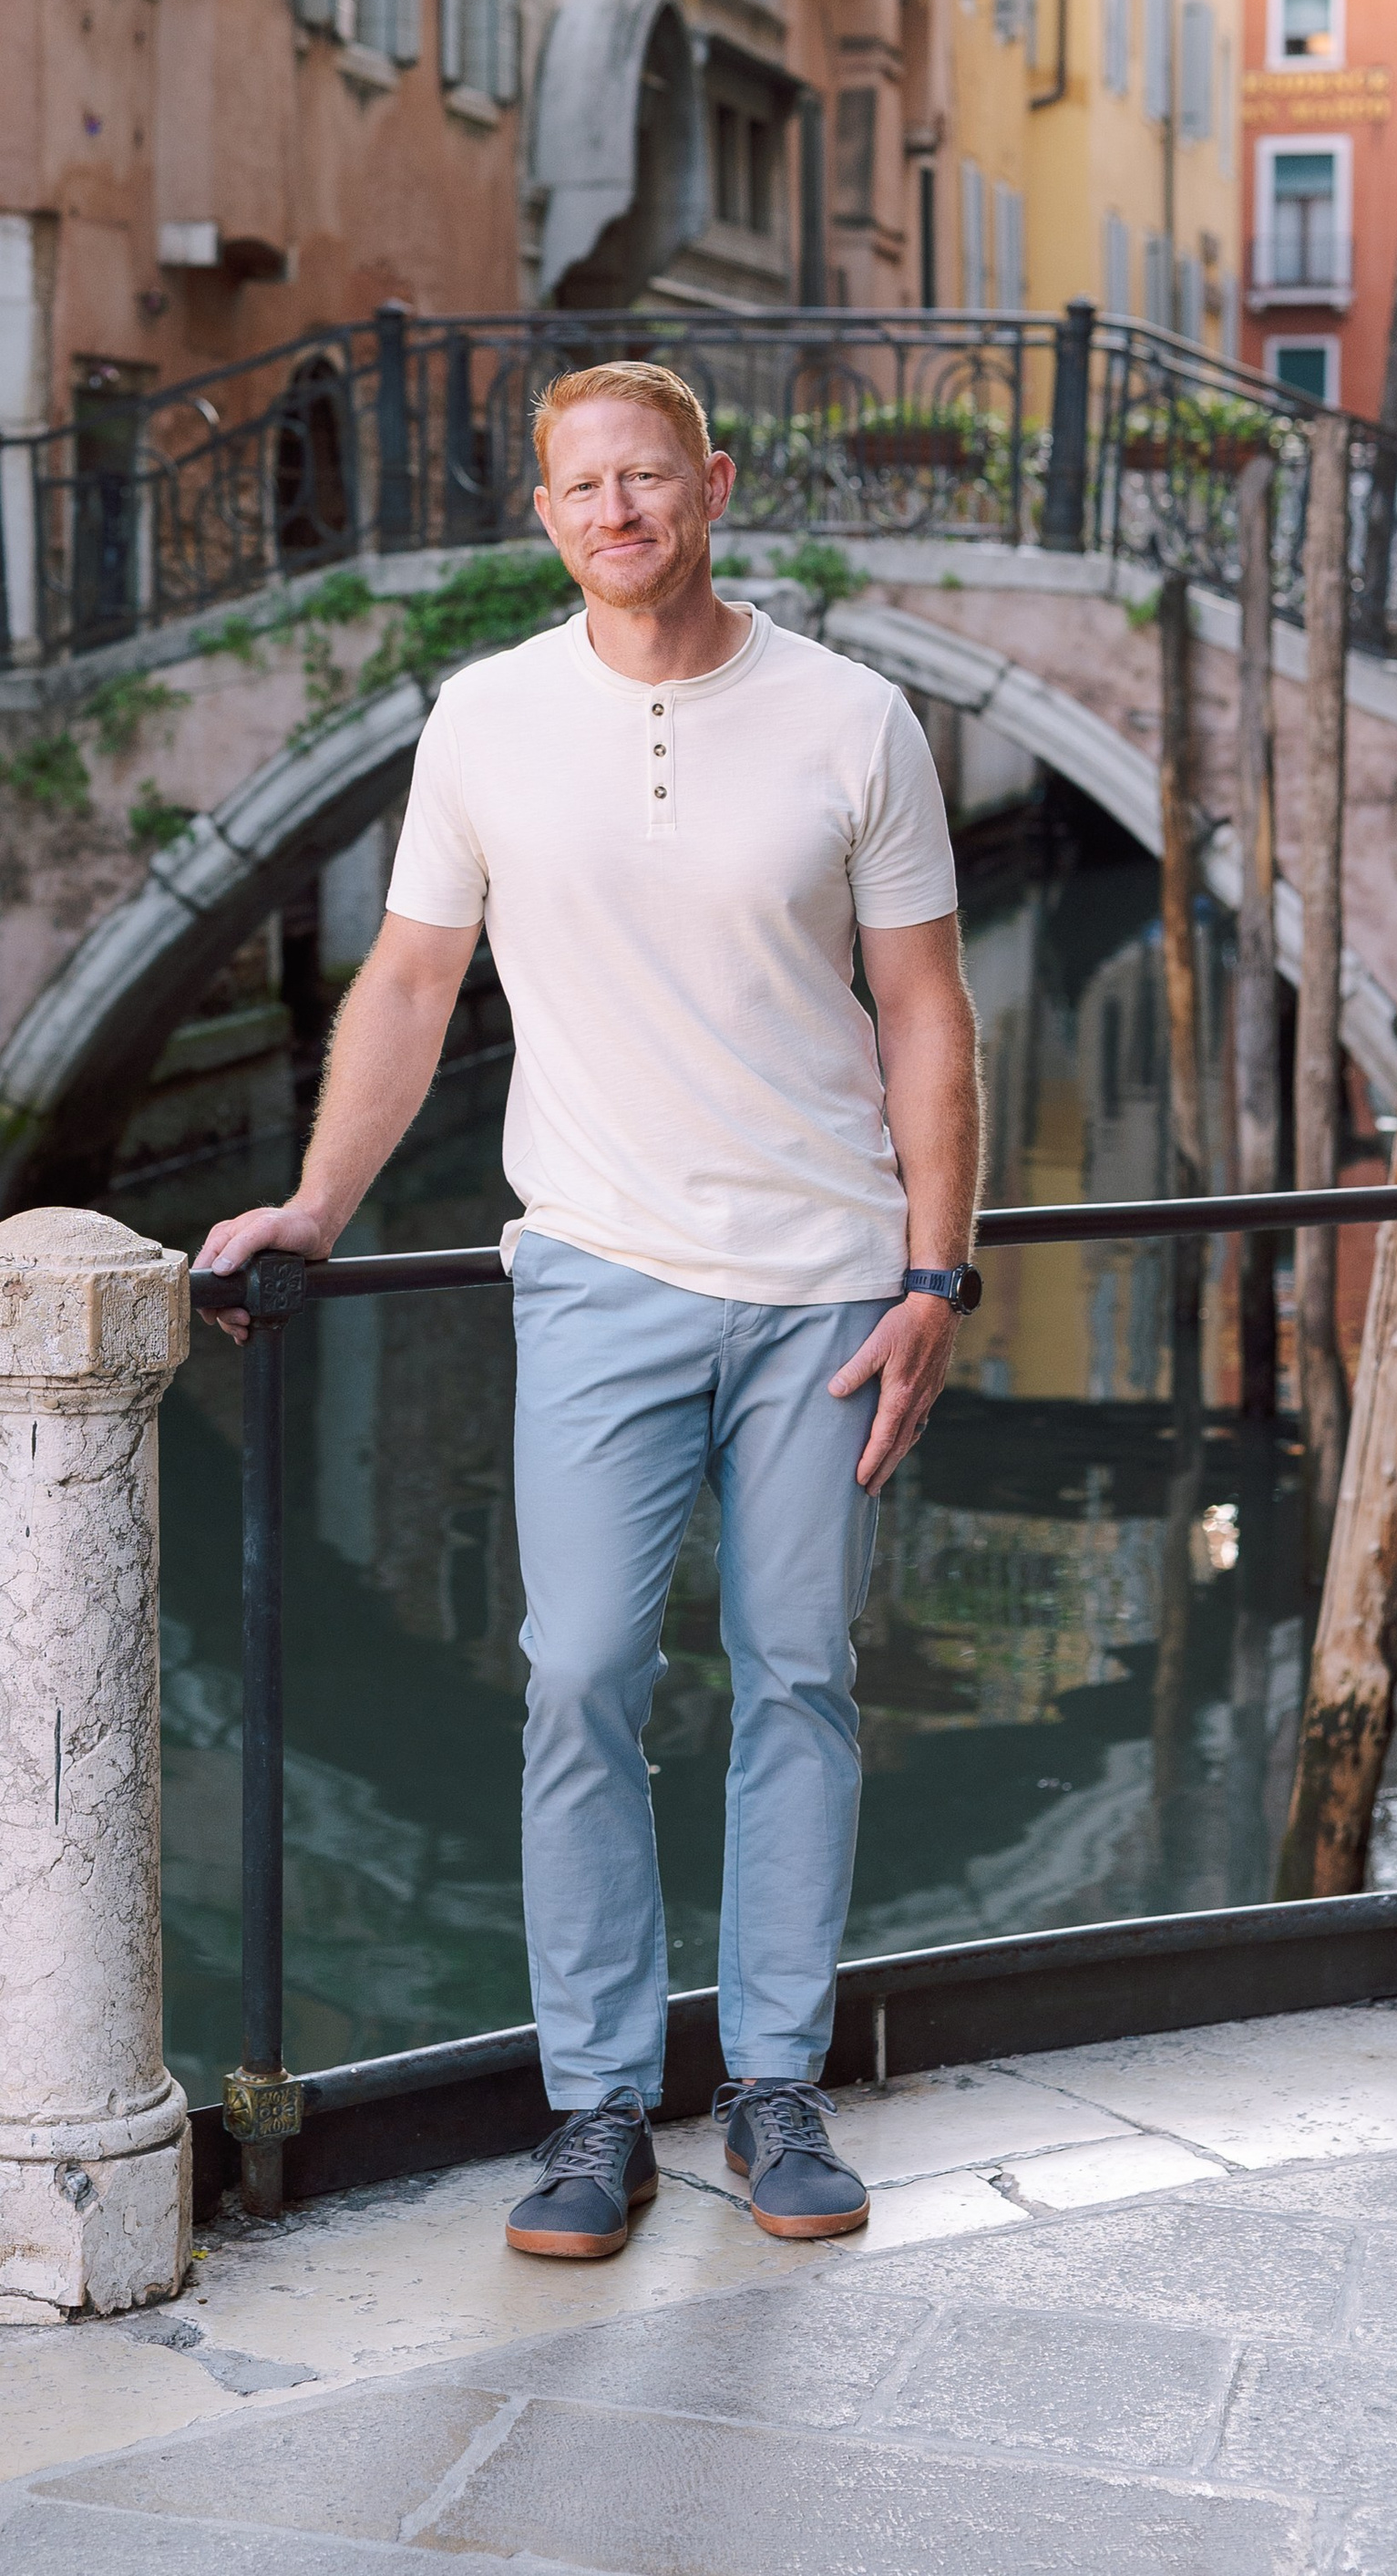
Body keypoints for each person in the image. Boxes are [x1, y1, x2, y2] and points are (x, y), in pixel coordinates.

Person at [197, 361, 981, 2260]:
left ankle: (774, 2083)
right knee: (574, 1678)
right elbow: (402, 983)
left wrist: (935, 1268)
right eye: (580, 486)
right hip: (595, 1273)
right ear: (543, 515)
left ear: (712, 483)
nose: (617, 508)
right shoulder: (481, 722)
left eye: (647, 474)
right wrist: (313, 1201)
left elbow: (926, 1011)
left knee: (797, 1671)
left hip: (819, 1284)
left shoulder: (850, 719)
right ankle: (594, 2103)